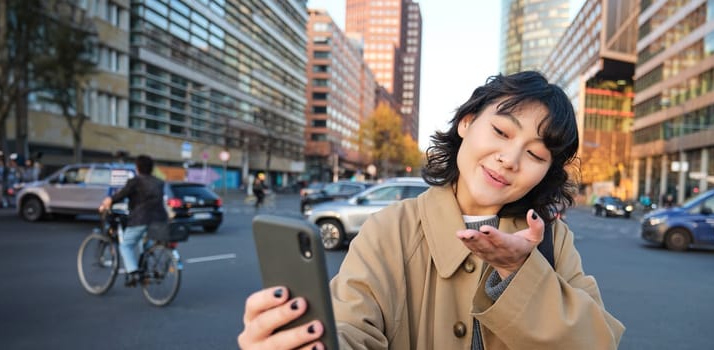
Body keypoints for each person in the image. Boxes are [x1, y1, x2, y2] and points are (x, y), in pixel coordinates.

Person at [238, 71, 625, 349]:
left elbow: (597, 342)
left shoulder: (552, 241)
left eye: (535, 154)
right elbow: (351, 327)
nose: (509, 159)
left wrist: (521, 273)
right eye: (501, 132)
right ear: (467, 123)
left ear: (545, 172)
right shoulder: (391, 230)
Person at [98, 155, 168, 286]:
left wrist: (108, 202)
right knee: (146, 243)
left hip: (141, 219)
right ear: (151, 169)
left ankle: (133, 272)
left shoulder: (135, 181)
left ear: (137, 168)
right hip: (159, 219)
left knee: (126, 245)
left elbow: (121, 194)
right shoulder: (159, 182)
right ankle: (147, 269)